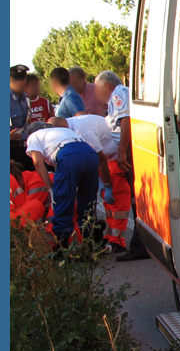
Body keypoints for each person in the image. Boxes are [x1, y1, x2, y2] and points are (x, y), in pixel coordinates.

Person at [94, 70, 148, 261]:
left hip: (129, 151)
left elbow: (126, 121)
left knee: (137, 199)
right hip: (130, 150)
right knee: (136, 199)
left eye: (98, 88)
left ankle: (141, 245)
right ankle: (141, 243)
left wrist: (122, 151)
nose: (96, 93)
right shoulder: (121, 93)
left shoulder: (118, 93)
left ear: (107, 85)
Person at [49, 116, 120, 251]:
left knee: (116, 203)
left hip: (114, 158)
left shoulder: (82, 131)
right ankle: (101, 240)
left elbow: (101, 158)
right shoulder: (72, 128)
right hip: (103, 159)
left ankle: (115, 242)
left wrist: (107, 184)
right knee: (95, 205)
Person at [24, 121, 100, 247]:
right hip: (90, 154)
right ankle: (89, 248)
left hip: (69, 156)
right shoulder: (63, 131)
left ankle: (63, 250)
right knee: (88, 203)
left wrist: (50, 188)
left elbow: (37, 162)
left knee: (63, 201)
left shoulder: (34, 136)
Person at [9, 64, 32, 169]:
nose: (22, 82)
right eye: (17, 79)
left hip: (26, 149)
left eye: (23, 78)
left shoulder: (26, 99)